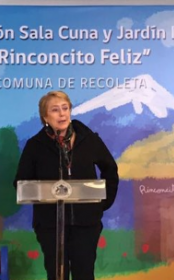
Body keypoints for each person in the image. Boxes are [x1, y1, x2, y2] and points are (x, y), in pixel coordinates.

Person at [14, 90, 119, 280]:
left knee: (84, 274)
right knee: (56, 274)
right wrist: (45, 191)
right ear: (45, 117)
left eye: (65, 108)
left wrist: (102, 204)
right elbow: (21, 182)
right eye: (55, 110)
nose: (62, 114)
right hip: (50, 225)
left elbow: (110, 170)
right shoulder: (35, 145)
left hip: (86, 224)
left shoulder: (89, 139)